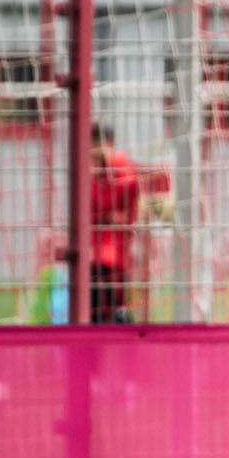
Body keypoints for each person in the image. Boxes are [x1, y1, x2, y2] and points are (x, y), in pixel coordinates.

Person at [90, 122, 140, 323]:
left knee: (115, 312)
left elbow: (122, 211)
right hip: (95, 256)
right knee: (97, 315)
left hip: (114, 256)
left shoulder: (121, 169)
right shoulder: (93, 176)